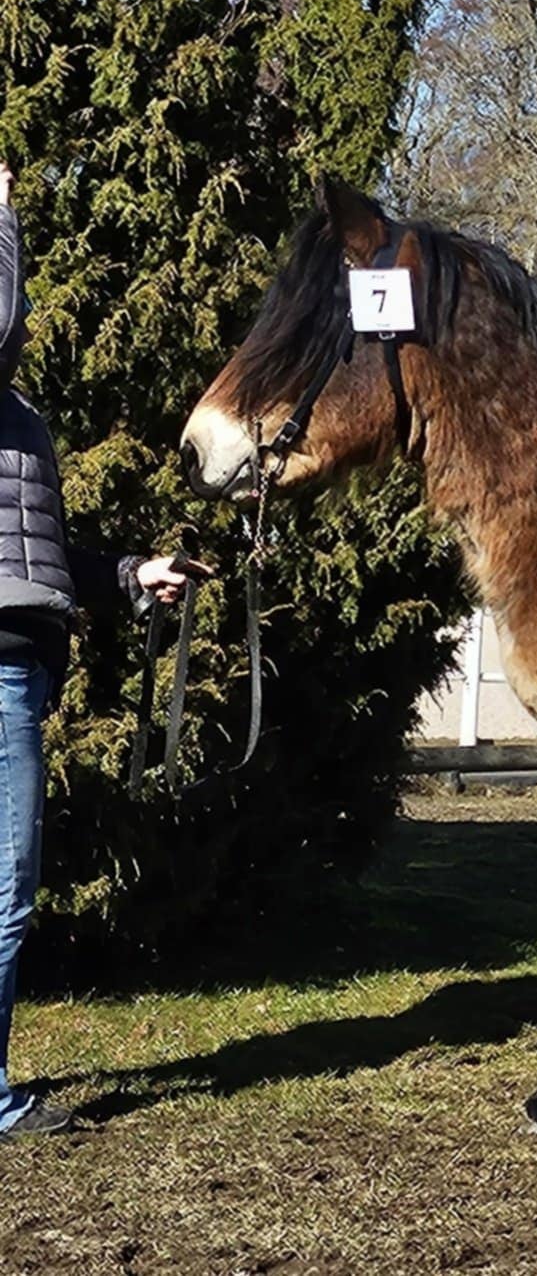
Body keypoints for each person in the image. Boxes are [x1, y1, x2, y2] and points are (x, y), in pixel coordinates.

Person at [0, 161, 205, 1139]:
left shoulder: (21, 421)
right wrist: (3, 215)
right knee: (4, 891)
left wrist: (130, 573)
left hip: (22, 664)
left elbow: (39, 559)